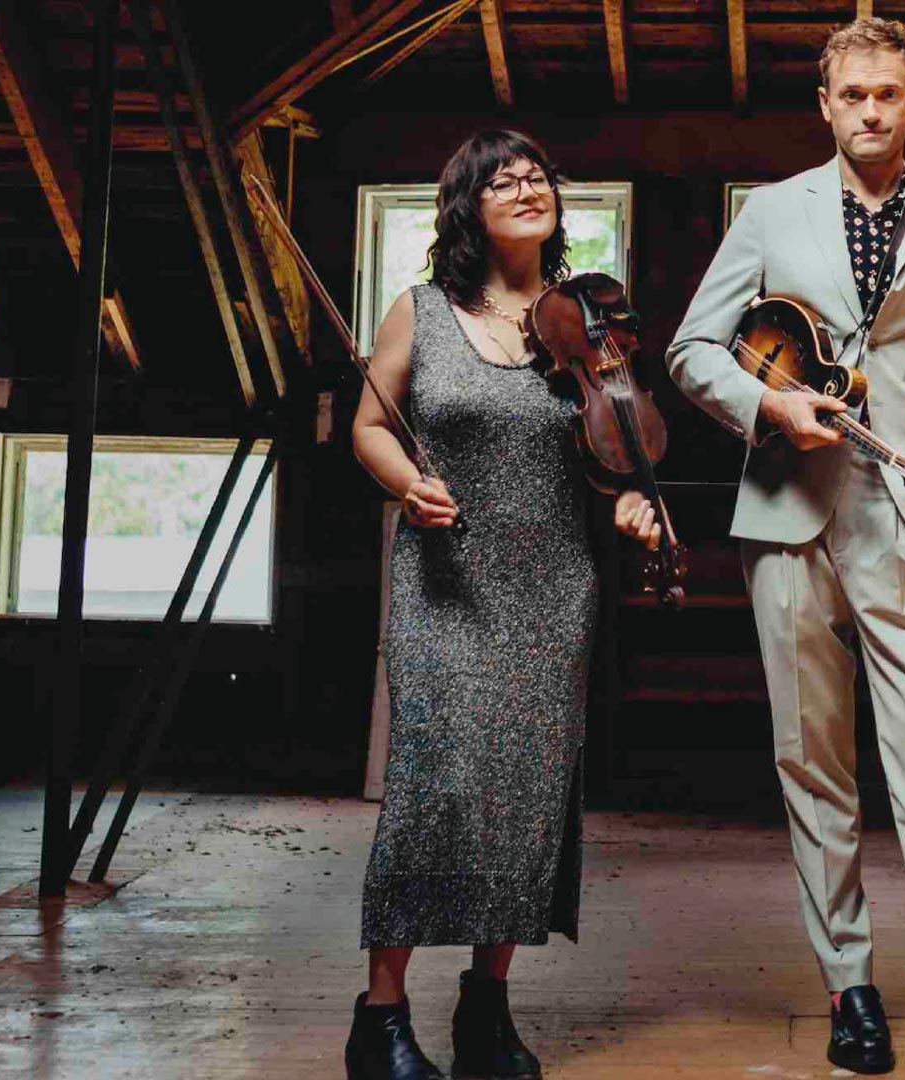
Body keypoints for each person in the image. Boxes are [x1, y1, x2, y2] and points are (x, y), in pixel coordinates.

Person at [664, 18, 905, 1080]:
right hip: (789, 513)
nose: (871, 109)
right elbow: (694, 346)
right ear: (825, 105)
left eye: (889, 94)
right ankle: (852, 992)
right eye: (853, 95)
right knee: (813, 767)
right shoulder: (772, 210)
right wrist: (769, 411)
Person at [345, 129, 661, 1080]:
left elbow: (619, 450)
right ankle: (383, 1015)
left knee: (528, 800)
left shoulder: (592, 323)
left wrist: (638, 496)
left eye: (538, 177)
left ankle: (487, 1009)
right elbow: (368, 426)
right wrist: (409, 485)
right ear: (467, 209)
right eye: (502, 180)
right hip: (447, 584)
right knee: (430, 792)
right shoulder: (421, 312)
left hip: (555, 585)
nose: (528, 187)